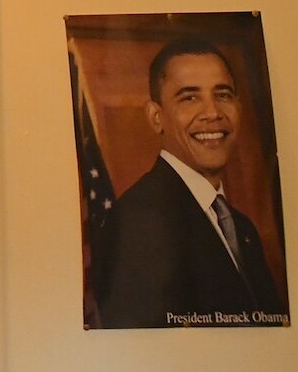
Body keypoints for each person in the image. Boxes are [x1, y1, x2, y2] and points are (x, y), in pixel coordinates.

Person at [95, 37, 287, 328]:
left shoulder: (242, 227)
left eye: (222, 95)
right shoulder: (138, 223)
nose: (213, 114)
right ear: (156, 117)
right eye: (190, 97)